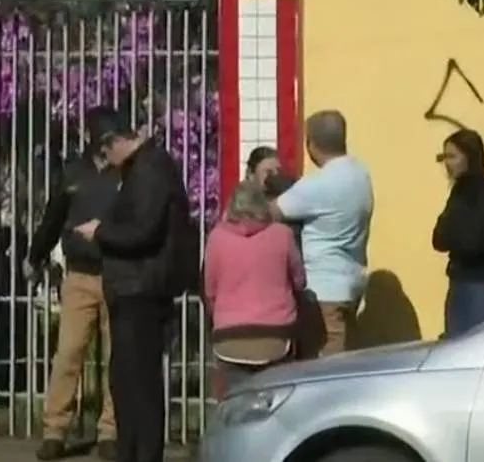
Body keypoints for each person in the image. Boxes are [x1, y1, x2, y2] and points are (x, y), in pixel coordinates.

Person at [74, 115, 194, 462]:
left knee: (136, 384)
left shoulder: (149, 170)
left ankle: (140, 453)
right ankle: (133, 450)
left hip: (140, 289)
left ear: (114, 142)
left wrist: (100, 231)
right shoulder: (145, 168)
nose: (103, 159)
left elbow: (142, 230)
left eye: (102, 149)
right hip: (135, 287)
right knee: (127, 381)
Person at [26, 108, 122, 462]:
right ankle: (55, 431)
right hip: (79, 276)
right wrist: (34, 256)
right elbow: (52, 219)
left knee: (116, 358)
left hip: (115, 273)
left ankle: (110, 431)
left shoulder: (126, 175)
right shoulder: (73, 174)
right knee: (68, 354)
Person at [272, 110, 373, 357]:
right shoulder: (360, 174)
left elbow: (271, 212)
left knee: (327, 368)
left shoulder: (319, 183)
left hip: (324, 291)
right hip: (352, 281)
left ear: (311, 144)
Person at [204, 181, 305, 395]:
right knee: (277, 403)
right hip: (276, 336)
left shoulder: (216, 238)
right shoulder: (282, 234)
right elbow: (299, 280)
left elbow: (209, 290)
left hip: (229, 336)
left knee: (234, 403)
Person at [431, 129, 484, 337]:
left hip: (482, 286)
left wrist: (454, 234)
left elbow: (472, 242)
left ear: (470, 157)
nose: (447, 164)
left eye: (452, 156)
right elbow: (439, 239)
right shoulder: (459, 194)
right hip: (461, 285)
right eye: (444, 157)